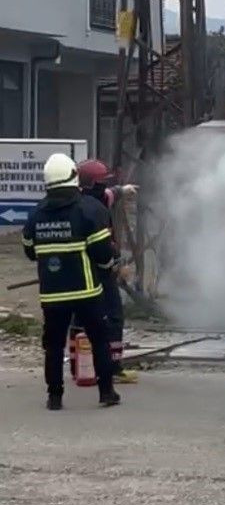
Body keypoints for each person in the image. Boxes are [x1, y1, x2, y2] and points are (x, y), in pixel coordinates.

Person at [22, 153, 120, 410]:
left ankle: (54, 397)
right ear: (73, 177)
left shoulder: (36, 215)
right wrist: (109, 267)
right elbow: (102, 252)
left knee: (53, 346)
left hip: (52, 295)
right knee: (99, 339)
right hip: (86, 291)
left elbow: (29, 250)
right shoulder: (88, 210)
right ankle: (106, 392)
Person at [77, 159, 139, 385]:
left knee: (80, 319)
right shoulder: (96, 210)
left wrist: (123, 190)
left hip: (79, 273)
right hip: (101, 270)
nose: (107, 187)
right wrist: (116, 265)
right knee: (113, 317)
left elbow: (111, 193)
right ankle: (113, 368)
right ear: (95, 184)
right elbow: (103, 245)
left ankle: (81, 367)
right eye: (103, 182)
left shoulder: (80, 201)